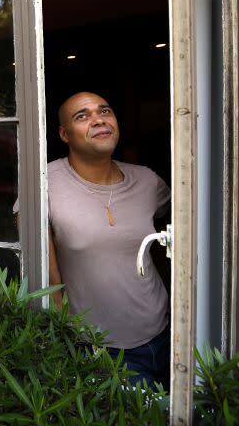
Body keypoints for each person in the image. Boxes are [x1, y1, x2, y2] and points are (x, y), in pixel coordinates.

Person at [48, 91, 171, 388]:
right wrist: (72, 342)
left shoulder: (147, 181)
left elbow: (176, 236)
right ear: (64, 134)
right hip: (104, 349)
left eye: (105, 111)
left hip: (167, 330)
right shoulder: (45, 184)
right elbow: (46, 283)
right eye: (83, 115)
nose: (98, 119)